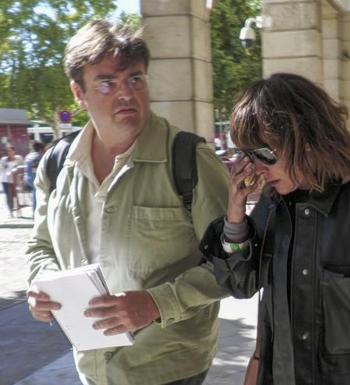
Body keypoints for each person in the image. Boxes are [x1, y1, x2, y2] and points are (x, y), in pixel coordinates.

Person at [25, 20, 230, 385]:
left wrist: (156, 303)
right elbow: (41, 245)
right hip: (92, 367)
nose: (126, 94)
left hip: (170, 366)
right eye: (107, 83)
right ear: (78, 92)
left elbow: (233, 263)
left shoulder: (189, 159)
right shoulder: (57, 164)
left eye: (135, 79)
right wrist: (41, 284)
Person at [200, 73, 350, 385]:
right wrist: (234, 218)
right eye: (248, 154)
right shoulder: (273, 204)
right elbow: (240, 283)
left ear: (306, 138)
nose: (256, 167)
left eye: (265, 153)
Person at [0, 144, 24, 217]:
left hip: (15, 180)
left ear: (14, 151)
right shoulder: (4, 159)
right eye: (7, 151)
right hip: (6, 180)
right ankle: (10, 211)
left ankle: (18, 211)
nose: (9, 152)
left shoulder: (18, 158)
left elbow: (22, 167)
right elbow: (2, 169)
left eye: (10, 151)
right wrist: (10, 172)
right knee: (8, 196)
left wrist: (20, 175)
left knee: (16, 195)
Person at [24, 140, 45, 210]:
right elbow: (36, 168)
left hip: (28, 178)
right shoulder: (39, 156)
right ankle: (35, 211)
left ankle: (35, 211)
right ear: (40, 148)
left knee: (35, 194)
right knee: (37, 195)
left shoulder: (28, 155)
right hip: (35, 177)